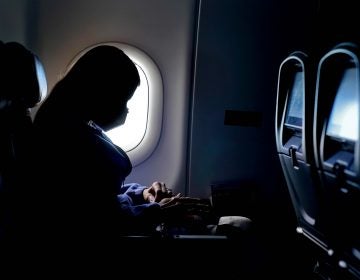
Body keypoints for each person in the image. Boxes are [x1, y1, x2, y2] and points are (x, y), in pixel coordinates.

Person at [32, 45, 213, 244]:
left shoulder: (81, 126)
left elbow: (100, 196)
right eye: (123, 100)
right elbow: (94, 218)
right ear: (101, 94)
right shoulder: (64, 138)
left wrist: (143, 194)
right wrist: (158, 211)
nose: (126, 111)